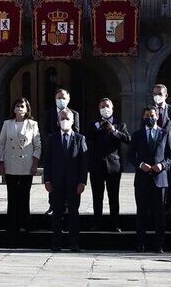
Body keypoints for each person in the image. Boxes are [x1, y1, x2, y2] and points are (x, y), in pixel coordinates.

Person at [129, 106, 171, 253]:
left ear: (157, 117)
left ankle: (159, 244)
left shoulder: (165, 133)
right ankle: (140, 243)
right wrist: (141, 164)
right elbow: (130, 156)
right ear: (144, 117)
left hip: (160, 179)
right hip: (142, 179)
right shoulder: (137, 135)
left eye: (152, 115)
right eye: (147, 115)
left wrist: (162, 166)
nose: (150, 117)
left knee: (159, 214)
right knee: (141, 212)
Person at [43, 109, 88, 252]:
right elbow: (47, 161)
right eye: (62, 118)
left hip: (74, 183)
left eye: (67, 118)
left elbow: (84, 162)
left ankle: (74, 243)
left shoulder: (80, 138)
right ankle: (56, 243)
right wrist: (47, 180)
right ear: (57, 121)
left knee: (73, 213)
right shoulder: (52, 138)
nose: (64, 121)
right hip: (56, 182)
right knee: (57, 213)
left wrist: (82, 181)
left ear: (73, 121)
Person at [86, 98, 130, 232]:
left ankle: (115, 223)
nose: (105, 108)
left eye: (107, 106)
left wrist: (114, 131)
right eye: (102, 106)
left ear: (112, 108)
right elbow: (87, 138)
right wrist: (99, 127)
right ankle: (97, 223)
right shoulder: (94, 124)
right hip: (96, 165)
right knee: (97, 196)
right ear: (99, 109)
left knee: (114, 196)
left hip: (113, 166)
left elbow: (128, 139)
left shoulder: (120, 124)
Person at [0, 98, 40, 233]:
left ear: (27, 109)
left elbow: (37, 146)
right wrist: (1, 161)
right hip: (10, 163)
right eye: (17, 106)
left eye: (22, 106)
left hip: (26, 164)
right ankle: (11, 224)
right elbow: (1, 143)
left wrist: (35, 163)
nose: (19, 108)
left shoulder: (32, 124)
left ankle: (24, 224)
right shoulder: (7, 124)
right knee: (12, 195)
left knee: (24, 196)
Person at [42, 88, 81, 215]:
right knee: (54, 182)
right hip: (54, 149)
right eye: (59, 98)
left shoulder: (74, 114)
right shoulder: (49, 113)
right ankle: (52, 205)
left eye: (63, 98)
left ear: (68, 99)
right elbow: (45, 130)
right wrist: (53, 141)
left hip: (69, 150)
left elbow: (76, 131)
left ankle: (68, 206)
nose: (61, 100)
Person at [152, 84, 171, 215]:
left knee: (169, 179)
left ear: (166, 95)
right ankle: (154, 205)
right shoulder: (150, 110)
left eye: (160, 94)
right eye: (155, 94)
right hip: (154, 150)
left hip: (169, 150)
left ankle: (169, 207)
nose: (157, 96)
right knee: (153, 178)